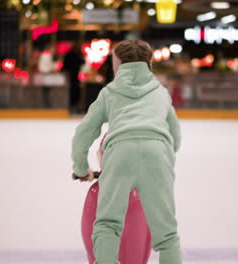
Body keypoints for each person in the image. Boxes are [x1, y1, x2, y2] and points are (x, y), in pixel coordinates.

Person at [71, 40, 182, 264]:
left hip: (120, 154)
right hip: (157, 153)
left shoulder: (109, 92)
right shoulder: (161, 93)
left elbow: (84, 132)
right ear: (149, 63)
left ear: (118, 65)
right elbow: (175, 135)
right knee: (167, 233)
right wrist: (163, 159)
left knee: (107, 225)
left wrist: (81, 168)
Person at [63, 43, 84, 113]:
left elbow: (64, 66)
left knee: (71, 92)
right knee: (74, 92)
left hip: (70, 77)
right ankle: (73, 107)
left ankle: (71, 107)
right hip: (74, 77)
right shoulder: (77, 55)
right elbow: (82, 62)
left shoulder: (69, 54)